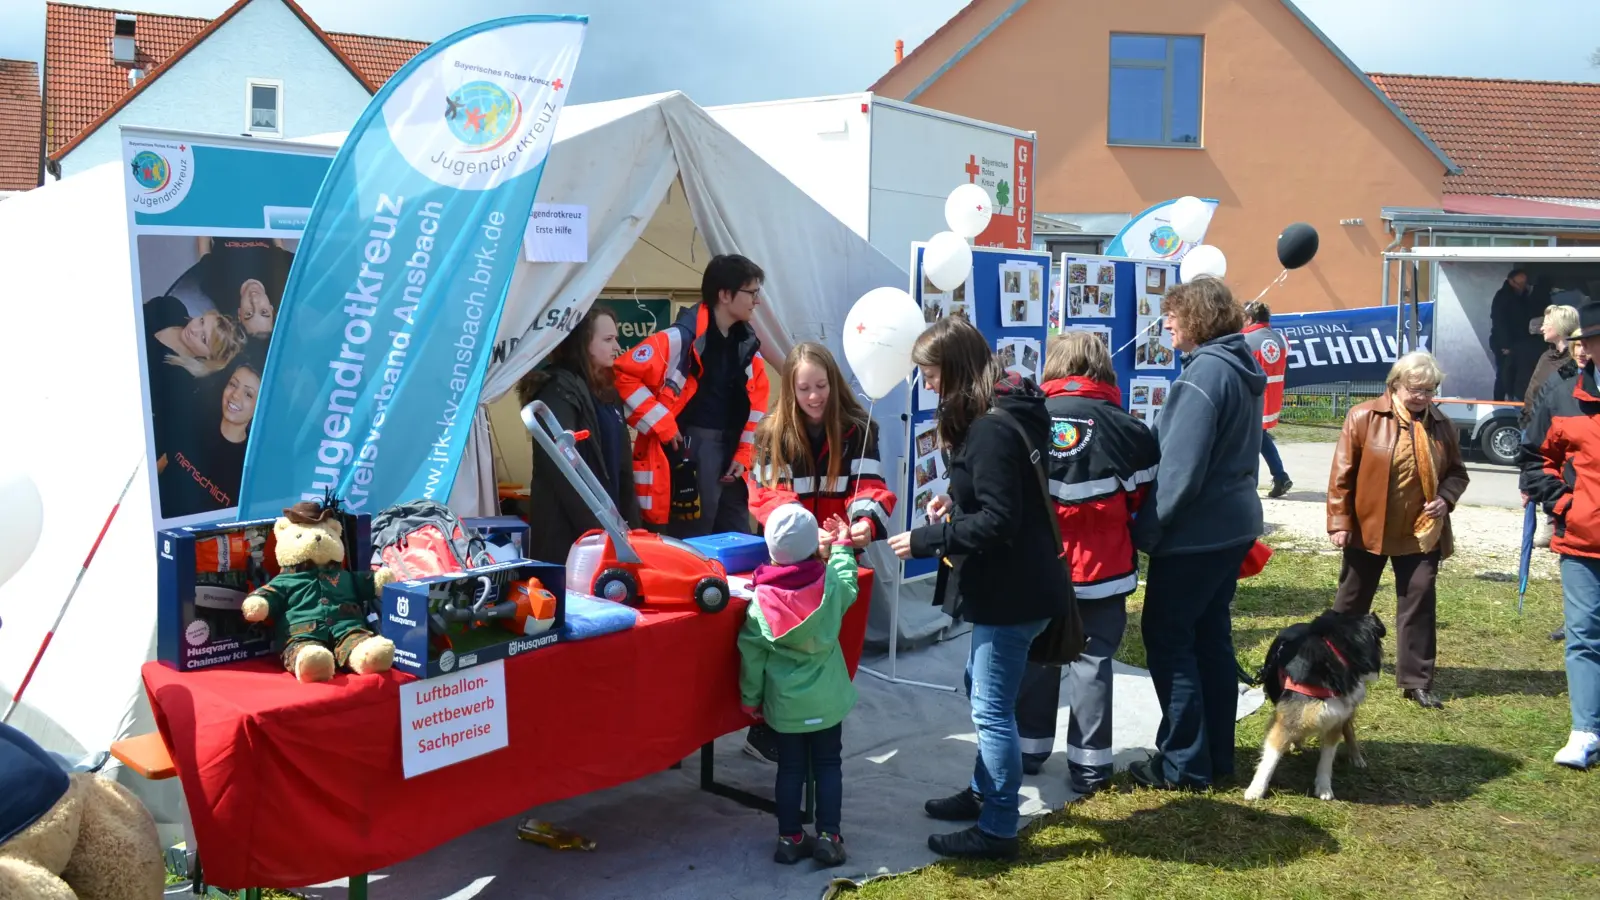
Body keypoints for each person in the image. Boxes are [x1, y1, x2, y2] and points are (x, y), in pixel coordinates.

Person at [886, 316, 1073, 861]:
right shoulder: (1009, 411)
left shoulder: (990, 428)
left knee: (991, 711)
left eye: (931, 374)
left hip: (1011, 592)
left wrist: (929, 538)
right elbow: (1000, 495)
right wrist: (955, 500)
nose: (927, 386)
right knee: (983, 689)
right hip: (1025, 583)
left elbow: (999, 522)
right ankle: (982, 793)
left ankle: (997, 828)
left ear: (955, 369)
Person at [1128, 277, 1266, 790]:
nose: (1166, 324)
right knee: (1209, 638)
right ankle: (1214, 755)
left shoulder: (1204, 375)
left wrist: (1148, 530)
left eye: (1173, 315)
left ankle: (1183, 764)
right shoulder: (1237, 366)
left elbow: (1180, 471)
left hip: (1195, 532)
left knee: (1169, 639)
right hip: (1230, 526)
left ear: (1197, 320)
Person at [1014, 332, 1159, 790]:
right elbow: (1142, 501)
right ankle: (1090, 766)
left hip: (1039, 567)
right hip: (1104, 570)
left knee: (1038, 652)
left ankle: (1027, 749)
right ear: (1101, 367)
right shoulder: (1131, 430)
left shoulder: (1026, 420)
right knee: (1093, 660)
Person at [741, 342, 897, 764]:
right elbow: (768, 498)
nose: (814, 396)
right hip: (789, 568)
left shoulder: (860, 428)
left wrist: (863, 524)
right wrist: (805, 539)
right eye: (804, 388)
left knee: (829, 650)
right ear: (790, 389)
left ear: (834, 382)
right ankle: (768, 733)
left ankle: (822, 729)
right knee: (784, 652)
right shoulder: (771, 433)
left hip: (839, 560)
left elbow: (869, 487)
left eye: (822, 385)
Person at [1327, 351, 1469, 710]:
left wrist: (1446, 499)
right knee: (1351, 602)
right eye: (1415, 388)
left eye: (1429, 389)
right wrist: (1340, 522)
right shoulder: (1363, 416)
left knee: (1419, 601)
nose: (1422, 396)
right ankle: (1334, 665)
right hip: (1367, 529)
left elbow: (1457, 473)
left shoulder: (1441, 425)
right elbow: (1342, 476)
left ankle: (1416, 682)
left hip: (1420, 533)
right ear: (1395, 384)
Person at [737, 504, 860, 867]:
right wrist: (842, 547)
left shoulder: (760, 600)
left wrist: (750, 700)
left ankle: (789, 838)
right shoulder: (832, 584)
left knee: (789, 770)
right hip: (827, 701)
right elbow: (848, 581)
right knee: (828, 765)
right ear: (813, 546)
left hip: (786, 706)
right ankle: (829, 835)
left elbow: (752, 657)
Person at [613, 255, 770, 536]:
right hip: (692, 452)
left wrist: (744, 453)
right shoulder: (678, 339)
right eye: (752, 292)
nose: (756, 300)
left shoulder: (747, 347)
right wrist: (661, 423)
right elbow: (621, 375)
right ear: (724, 294)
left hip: (732, 459)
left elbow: (756, 405)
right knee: (694, 543)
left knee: (737, 540)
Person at [1524, 301, 1600, 769]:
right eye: (1588, 340)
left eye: (1591, 339)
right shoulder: (1561, 393)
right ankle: (1586, 730)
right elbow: (1535, 457)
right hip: (1582, 540)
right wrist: (1564, 504)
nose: (1586, 347)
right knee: (1584, 636)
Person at [516, 306, 640, 563]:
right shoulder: (556, 388)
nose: (617, 346)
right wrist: (596, 531)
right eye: (608, 339)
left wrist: (632, 528)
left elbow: (622, 467)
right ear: (582, 343)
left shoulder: (606, 390)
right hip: (573, 536)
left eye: (616, 338)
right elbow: (562, 468)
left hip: (609, 529)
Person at [1522, 326, 1588, 643]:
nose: (1585, 351)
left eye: (1590, 344)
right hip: (1573, 505)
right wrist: (1558, 501)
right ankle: (1574, 620)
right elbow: (1537, 445)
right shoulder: (1560, 381)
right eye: (1580, 345)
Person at [156, 352, 262, 517]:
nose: (235, 395)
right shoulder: (194, 420)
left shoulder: (247, 471)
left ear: (259, 409)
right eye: (233, 384)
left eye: (248, 394)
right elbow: (163, 462)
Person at [1243, 300, 1293, 497]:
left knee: (1250, 442)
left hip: (1252, 399)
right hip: (1272, 398)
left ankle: (1250, 486)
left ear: (1249, 318)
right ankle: (1280, 477)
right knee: (1260, 438)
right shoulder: (1281, 339)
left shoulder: (1244, 340)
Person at [1490, 268, 1543, 401]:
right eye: (1519, 283)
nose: (1521, 286)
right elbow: (1499, 322)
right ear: (1510, 281)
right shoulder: (1502, 297)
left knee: (1518, 373)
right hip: (1505, 344)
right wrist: (1505, 345)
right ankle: (1499, 402)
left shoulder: (1522, 296)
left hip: (1520, 343)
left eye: (1523, 283)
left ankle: (1515, 399)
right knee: (1503, 374)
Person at [1523, 305, 1580, 420]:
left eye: (1546, 323)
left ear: (1560, 326)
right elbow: (1533, 389)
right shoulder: (1546, 356)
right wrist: (1526, 418)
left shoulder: (1577, 359)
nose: (1542, 328)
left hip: (1560, 425)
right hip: (1534, 423)